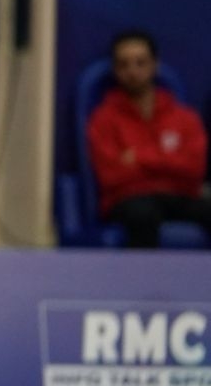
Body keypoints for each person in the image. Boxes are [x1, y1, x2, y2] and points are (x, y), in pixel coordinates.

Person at [87, 30, 210, 245]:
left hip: (180, 196)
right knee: (142, 215)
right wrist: (168, 160)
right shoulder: (103, 119)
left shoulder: (185, 118)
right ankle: (143, 280)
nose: (132, 71)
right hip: (129, 199)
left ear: (155, 65)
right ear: (115, 69)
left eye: (140, 63)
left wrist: (138, 158)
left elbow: (194, 171)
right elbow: (111, 176)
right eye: (124, 64)